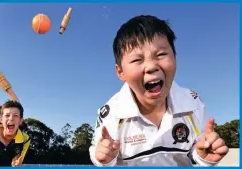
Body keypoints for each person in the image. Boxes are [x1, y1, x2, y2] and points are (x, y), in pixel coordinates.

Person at [89, 15, 228, 166]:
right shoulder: (112, 113)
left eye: (161, 55)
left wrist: (203, 156)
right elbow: (98, 153)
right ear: (120, 72)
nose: (151, 67)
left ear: (175, 57)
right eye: (137, 60)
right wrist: (105, 158)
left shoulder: (193, 103)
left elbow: (198, 150)